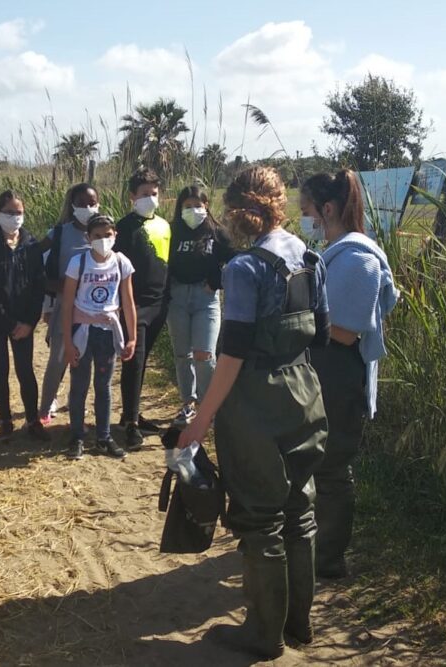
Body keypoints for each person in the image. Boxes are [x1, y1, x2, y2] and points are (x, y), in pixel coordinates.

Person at [178, 166, 329, 659]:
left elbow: (234, 354)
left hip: (255, 402)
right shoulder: (311, 259)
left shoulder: (243, 269)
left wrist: (199, 422)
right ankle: (298, 625)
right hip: (305, 390)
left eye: (226, 211)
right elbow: (321, 335)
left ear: (244, 210)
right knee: (299, 510)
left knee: (261, 519)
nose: (222, 220)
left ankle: (263, 634)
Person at [300, 169, 399, 579]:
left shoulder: (357, 259)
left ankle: (329, 558)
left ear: (327, 208)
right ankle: (311, 544)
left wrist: (297, 321)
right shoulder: (336, 252)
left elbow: (345, 330)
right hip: (324, 370)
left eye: (306, 211)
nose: (304, 219)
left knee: (333, 466)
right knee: (315, 463)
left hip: (340, 375)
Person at [0, 190, 49, 441]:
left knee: (25, 370)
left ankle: (32, 420)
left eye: (19, 212)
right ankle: (5, 420)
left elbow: (39, 286)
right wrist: (8, 322)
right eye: (9, 212)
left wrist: (29, 322)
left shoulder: (30, 245)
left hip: (24, 321)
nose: (14, 217)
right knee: (1, 369)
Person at [61, 214, 137, 460]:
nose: (103, 240)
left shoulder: (121, 262)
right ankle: (77, 436)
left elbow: (127, 300)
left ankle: (103, 437)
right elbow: (67, 303)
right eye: (97, 236)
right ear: (88, 237)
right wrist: (68, 342)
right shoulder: (78, 262)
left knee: (103, 386)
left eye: (108, 235)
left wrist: (131, 336)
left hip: (107, 333)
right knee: (79, 386)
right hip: (83, 331)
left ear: (115, 235)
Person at [165, 184, 235, 426]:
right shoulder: (172, 231)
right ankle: (188, 404)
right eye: (187, 206)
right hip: (178, 298)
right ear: (180, 208)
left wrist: (216, 282)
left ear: (206, 205)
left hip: (206, 299)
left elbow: (236, 263)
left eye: (198, 205)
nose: (193, 210)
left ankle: (211, 406)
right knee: (183, 354)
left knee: (204, 354)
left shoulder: (217, 233)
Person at [115, 167, 171, 451]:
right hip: (133, 305)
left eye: (154, 193)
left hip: (159, 303)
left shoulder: (164, 225)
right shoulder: (123, 228)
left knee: (144, 359)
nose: (150, 198)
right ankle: (131, 424)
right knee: (133, 361)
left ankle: (131, 412)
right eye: (144, 194)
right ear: (131, 197)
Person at [38, 183, 96, 425]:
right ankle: (42, 411)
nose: (88, 208)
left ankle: (76, 405)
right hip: (66, 306)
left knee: (84, 361)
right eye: (81, 203)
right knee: (58, 359)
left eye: (92, 203)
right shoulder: (59, 234)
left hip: (93, 308)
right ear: (72, 206)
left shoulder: (103, 232)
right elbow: (35, 263)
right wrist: (51, 294)